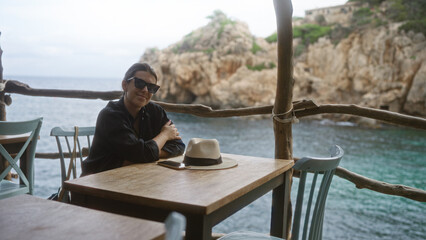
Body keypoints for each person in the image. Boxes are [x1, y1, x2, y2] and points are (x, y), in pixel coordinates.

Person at [82, 63, 185, 175]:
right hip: (94, 182)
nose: (145, 90)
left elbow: (178, 146)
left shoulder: (155, 111)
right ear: (125, 85)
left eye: (151, 87)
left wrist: (148, 153)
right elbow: (140, 154)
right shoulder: (110, 115)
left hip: (132, 177)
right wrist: (164, 135)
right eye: (139, 83)